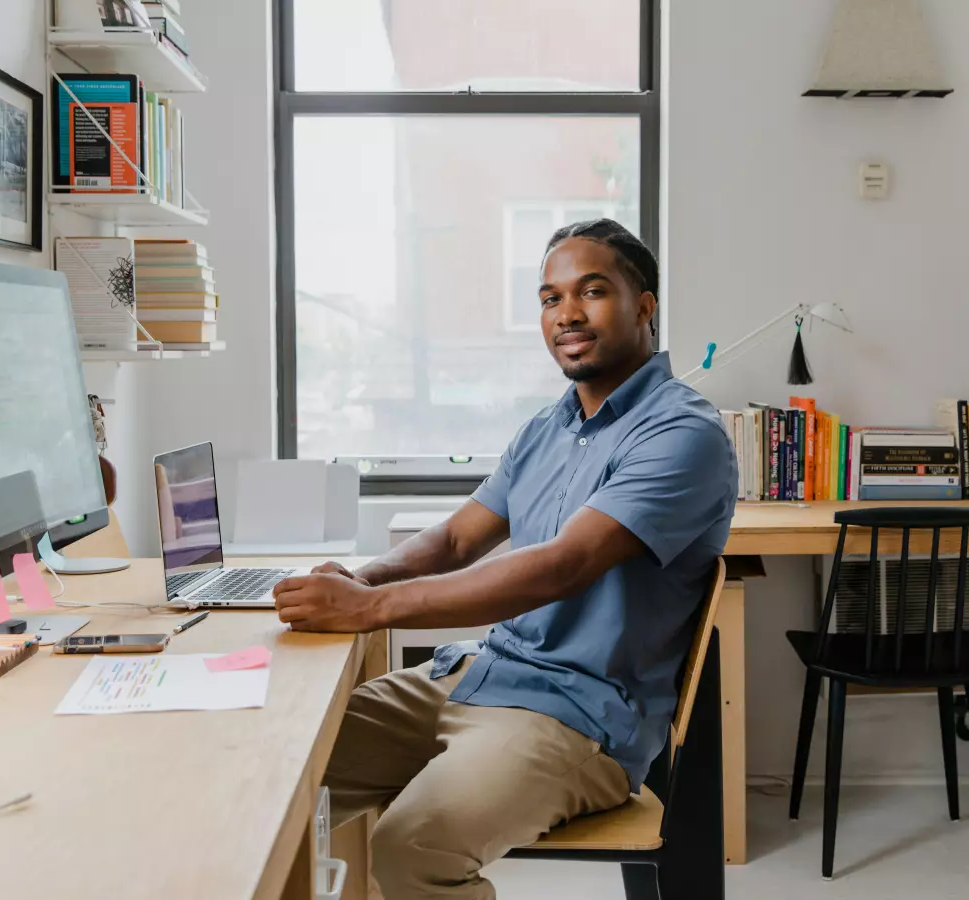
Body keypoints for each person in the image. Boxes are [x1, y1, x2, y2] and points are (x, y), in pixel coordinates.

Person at [273, 219, 738, 900]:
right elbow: (459, 539)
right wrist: (361, 577)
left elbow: (562, 566)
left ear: (645, 306)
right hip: (476, 676)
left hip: (574, 718)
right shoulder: (549, 427)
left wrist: (371, 609)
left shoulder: (682, 434)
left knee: (409, 849)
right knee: (277, 771)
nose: (567, 314)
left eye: (592, 291)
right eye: (551, 299)